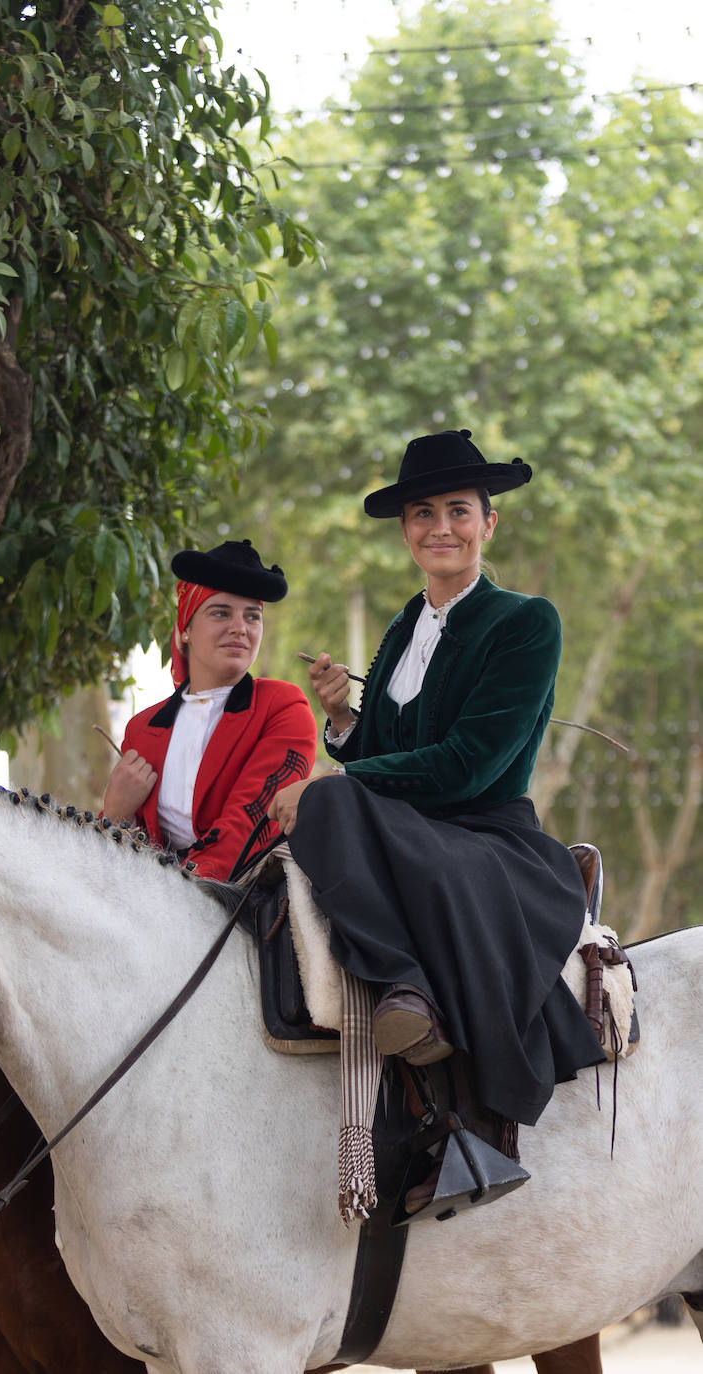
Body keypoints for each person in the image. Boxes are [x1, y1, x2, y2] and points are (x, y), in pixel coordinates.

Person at [269, 427, 606, 1210]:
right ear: (405, 531)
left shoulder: (527, 622)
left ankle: (408, 992)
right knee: (329, 807)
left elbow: (469, 765)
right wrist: (343, 723)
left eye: (458, 511)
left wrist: (332, 779)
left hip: (488, 835)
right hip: (408, 828)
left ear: (490, 523)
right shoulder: (401, 628)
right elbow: (386, 757)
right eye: (423, 514)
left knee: (331, 800)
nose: (441, 528)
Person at [102, 537, 317, 880]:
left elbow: (249, 826)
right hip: (154, 892)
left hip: (243, 895)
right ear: (185, 628)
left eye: (252, 616)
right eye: (220, 613)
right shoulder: (142, 728)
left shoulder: (282, 707)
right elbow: (121, 851)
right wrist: (115, 814)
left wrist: (174, 886)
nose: (240, 628)